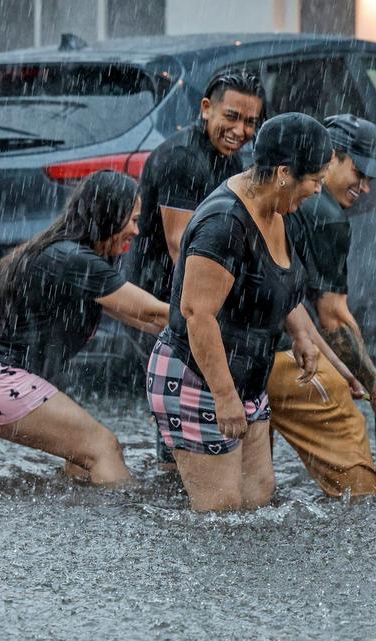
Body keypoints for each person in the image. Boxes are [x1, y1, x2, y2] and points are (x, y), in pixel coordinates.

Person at [146, 113, 333, 512]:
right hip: (200, 376)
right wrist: (225, 396)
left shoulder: (280, 213)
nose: (319, 190)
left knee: (258, 499)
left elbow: (279, 283)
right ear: (284, 173)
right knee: (220, 514)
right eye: (315, 179)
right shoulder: (224, 224)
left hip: (247, 377)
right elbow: (198, 314)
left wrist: (301, 333)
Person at [0, 171, 169, 486]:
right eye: (132, 219)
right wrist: (209, 319)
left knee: (83, 456)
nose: (136, 230)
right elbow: (154, 312)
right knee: (103, 447)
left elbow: (143, 319)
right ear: (109, 213)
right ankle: (120, 524)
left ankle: (76, 518)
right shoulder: (73, 258)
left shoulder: (62, 250)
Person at [268, 114, 376, 498]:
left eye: (371, 179)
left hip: (231, 353)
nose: (364, 187)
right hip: (272, 354)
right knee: (354, 459)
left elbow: (290, 302)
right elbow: (334, 320)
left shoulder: (280, 195)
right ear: (330, 158)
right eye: (359, 172)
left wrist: (343, 367)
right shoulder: (326, 217)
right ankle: (369, 533)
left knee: (249, 492)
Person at [133, 69, 265, 468]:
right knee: (180, 408)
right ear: (206, 109)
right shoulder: (181, 159)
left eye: (250, 122)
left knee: (203, 400)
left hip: (196, 299)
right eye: (231, 117)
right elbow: (179, 247)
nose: (240, 130)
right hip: (160, 295)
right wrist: (212, 313)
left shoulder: (231, 159)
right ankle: (174, 486)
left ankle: (188, 479)